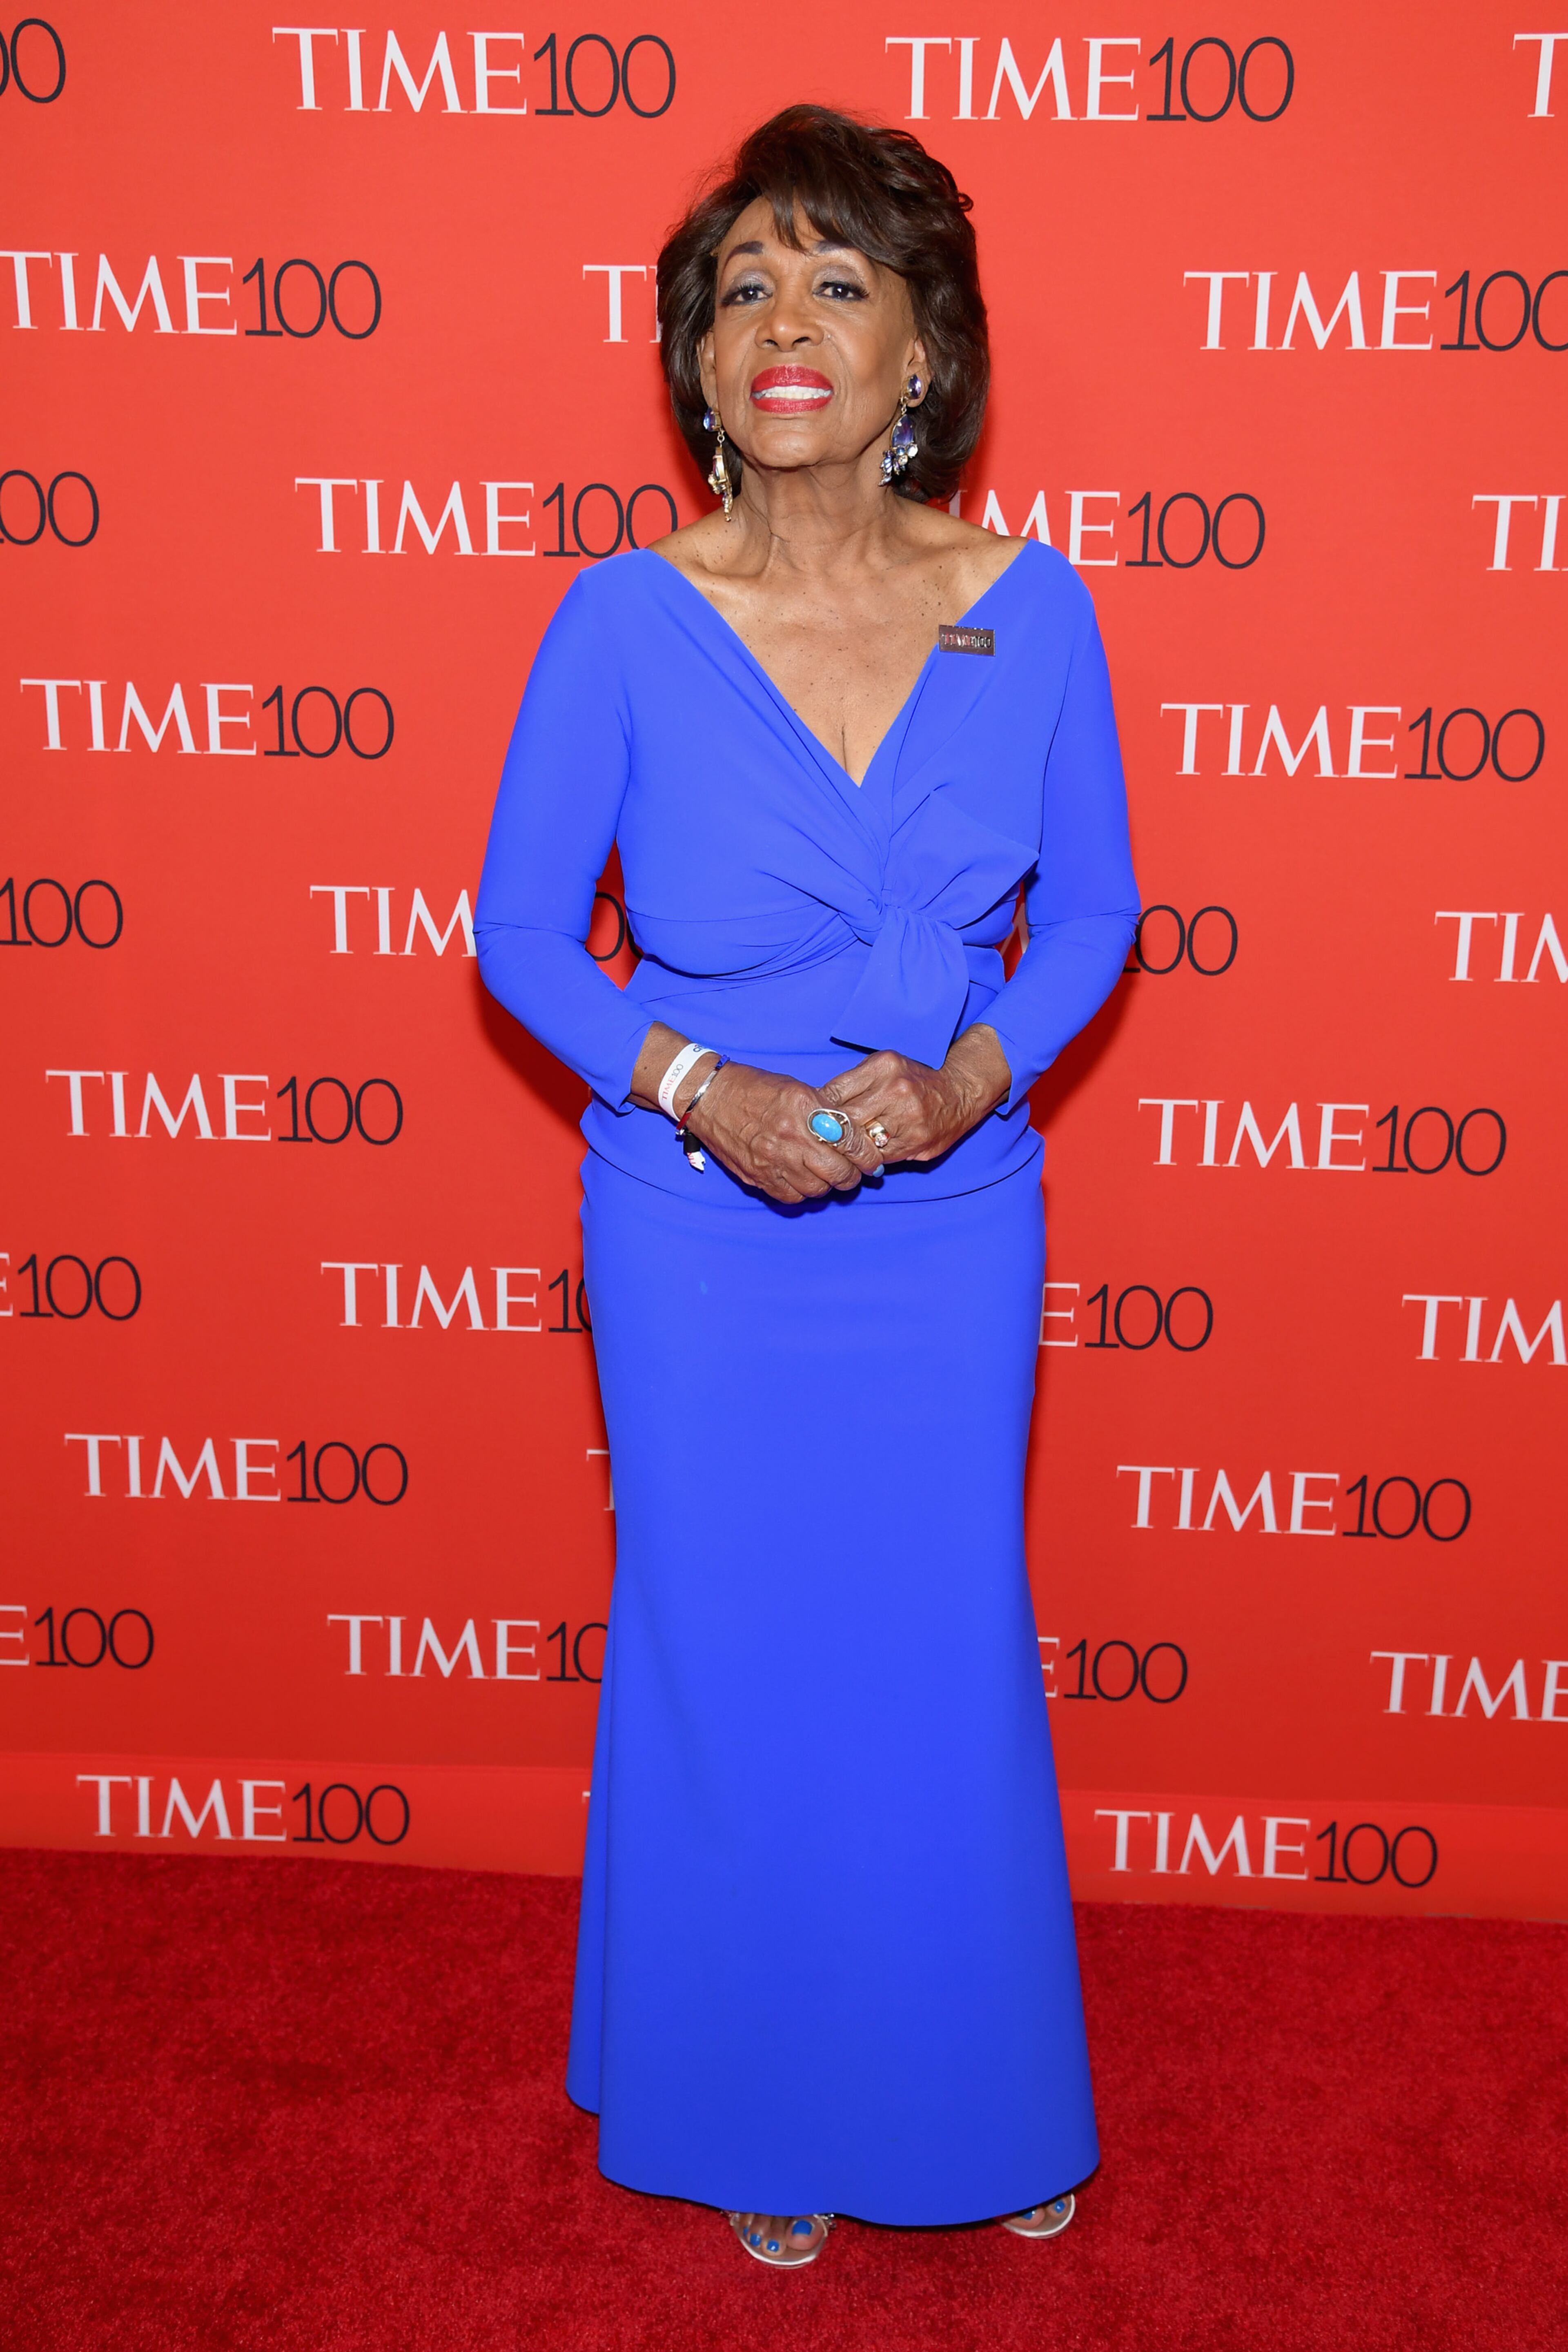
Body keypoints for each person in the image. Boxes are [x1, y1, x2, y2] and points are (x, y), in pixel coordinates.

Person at [475, 103, 1139, 2268]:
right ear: (693, 359)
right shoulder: (619, 619)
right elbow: (514, 937)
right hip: (695, 1230)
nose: (786, 321)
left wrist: (970, 1082)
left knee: (937, 1641)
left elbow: (1098, 920)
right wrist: (695, 1089)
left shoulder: (1031, 613)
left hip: (949, 1221)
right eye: (743, 283)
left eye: (838, 280)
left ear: (923, 346)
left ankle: (971, 2082)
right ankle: (753, 2079)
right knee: (731, 1645)